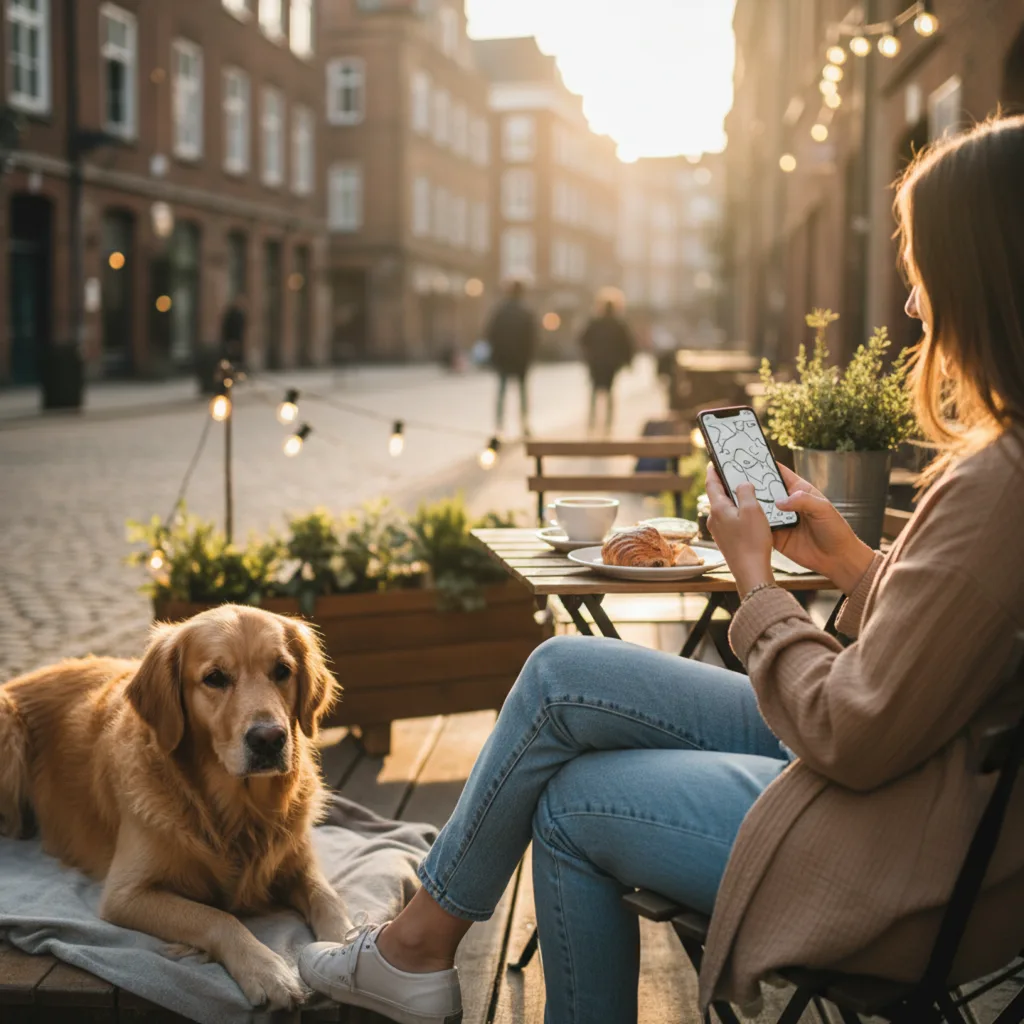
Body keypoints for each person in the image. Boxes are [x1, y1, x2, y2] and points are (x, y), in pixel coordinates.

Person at [298, 116, 1024, 1024]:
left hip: (900, 844)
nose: (914, 308)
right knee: (562, 671)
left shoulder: (1001, 486)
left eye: (923, 277)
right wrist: (846, 559)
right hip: (915, 782)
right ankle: (416, 946)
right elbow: (951, 647)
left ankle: (412, 950)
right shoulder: (1005, 479)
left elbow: (853, 728)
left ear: (983, 282)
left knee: (567, 805)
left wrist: (758, 585)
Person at [485, 281, 537, 438]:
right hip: (520, 360)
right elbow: (532, 338)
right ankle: (524, 424)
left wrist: (495, 355)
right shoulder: (526, 312)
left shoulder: (500, 311)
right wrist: (529, 357)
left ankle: (499, 425)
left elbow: (490, 333)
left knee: (502, 391)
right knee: (522, 392)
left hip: (503, 358)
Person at [579, 300, 635, 433]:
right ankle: (608, 423)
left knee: (594, 390)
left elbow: (583, 339)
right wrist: (628, 361)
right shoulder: (618, 325)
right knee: (610, 391)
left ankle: (592, 420)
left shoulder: (595, 323)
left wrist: (589, 356)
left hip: (596, 362)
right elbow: (627, 344)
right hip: (611, 363)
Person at [220, 295, 247, 369]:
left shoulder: (241, 314)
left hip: (238, 339)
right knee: (231, 356)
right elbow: (227, 327)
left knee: (237, 356)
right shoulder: (231, 314)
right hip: (232, 339)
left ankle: (238, 369)